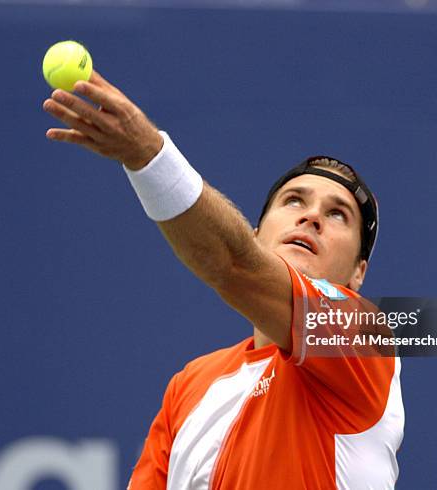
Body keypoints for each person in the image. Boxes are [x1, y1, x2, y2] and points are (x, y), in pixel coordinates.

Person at [43, 71, 404, 489]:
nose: (312, 217)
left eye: (338, 214)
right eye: (293, 201)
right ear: (256, 233)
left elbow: (233, 265)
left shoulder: (363, 337)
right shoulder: (189, 386)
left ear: (359, 273)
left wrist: (148, 155)